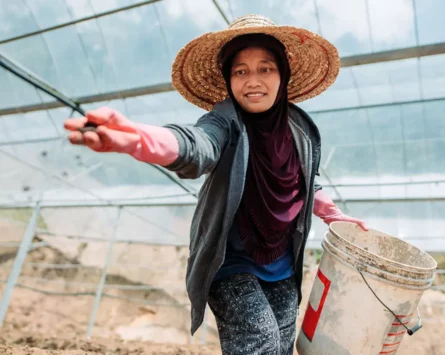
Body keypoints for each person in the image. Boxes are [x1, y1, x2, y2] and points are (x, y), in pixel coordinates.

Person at [65, 14, 368, 355]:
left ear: (282, 75)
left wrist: (333, 215)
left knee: (282, 347)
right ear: (229, 79)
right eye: (241, 71)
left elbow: (306, 181)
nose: (253, 80)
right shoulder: (224, 121)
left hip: (283, 265)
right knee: (261, 343)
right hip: (230, 263)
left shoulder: (299, 129)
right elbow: (196, 145)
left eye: (265, 68)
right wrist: (136, 138)